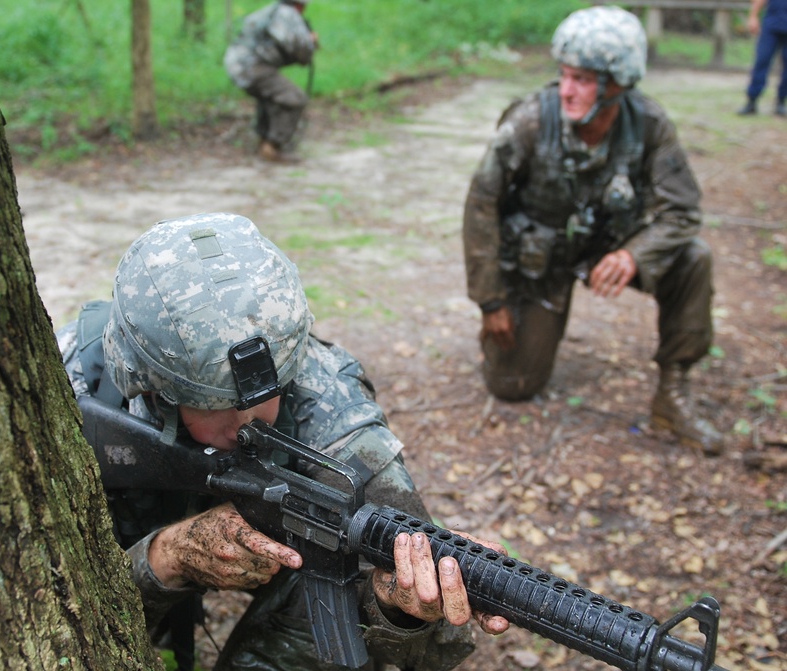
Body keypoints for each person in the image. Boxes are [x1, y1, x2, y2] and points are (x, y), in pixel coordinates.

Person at [57, 212, 509, 671]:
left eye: (265, 395)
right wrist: (167, 557)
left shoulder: (328, 402)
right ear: (154, 391)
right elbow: (54, 607)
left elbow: (438, 645)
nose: (247, 424)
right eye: (217, 405)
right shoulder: (69, 394)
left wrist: (396, 606)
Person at [462, 6, 724, 455]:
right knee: (512, 385)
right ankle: (515, 331)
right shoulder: (528, 121)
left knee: (693, 258)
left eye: (582, 79)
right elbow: (481, 204)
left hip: (609, 244)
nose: (566, 90)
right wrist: (491, 300)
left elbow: (682, 211)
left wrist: (634, 254)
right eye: (564, 75)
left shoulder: (649, 125)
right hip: (538, 258)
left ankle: (673, 392)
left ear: (617, 83)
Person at [224, 0, 317, 162]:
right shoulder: (287, 14)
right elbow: (299, 47)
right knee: (294, 97)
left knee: (271, 97)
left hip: (239, 64)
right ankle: (272, 146)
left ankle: (264, 141)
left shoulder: (270, 11)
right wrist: (311, 41)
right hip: (251, 66)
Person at [737, 0, 787, 116]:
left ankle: (781, 102)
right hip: (771, 25)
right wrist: (753, 16)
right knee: (762, 61)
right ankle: (752, 102)